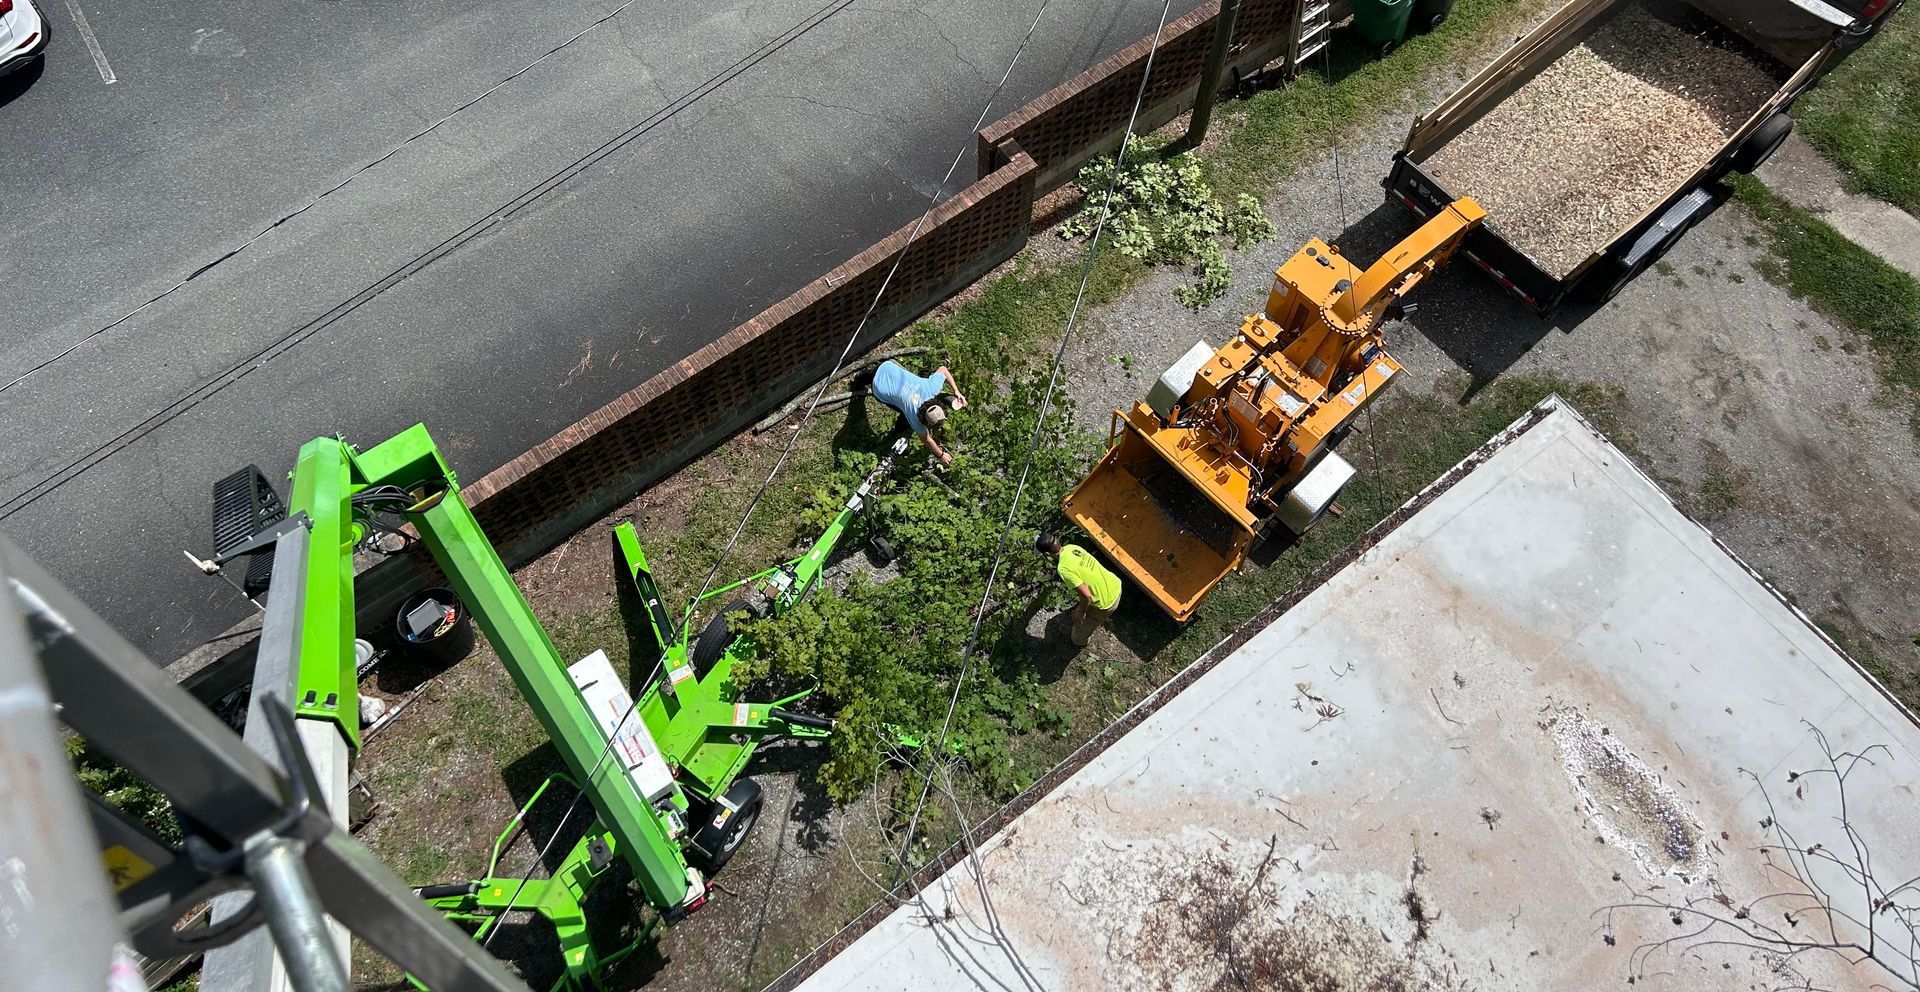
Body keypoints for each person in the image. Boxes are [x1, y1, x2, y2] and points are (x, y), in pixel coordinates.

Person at [869, 359, 966, 465]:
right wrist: (941, 455)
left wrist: (956, 391)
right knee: (901, 409)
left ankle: (861, 377)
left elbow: (943, 370)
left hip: (887, 367)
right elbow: (926, 439)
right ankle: (899, 428)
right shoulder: (914, 417)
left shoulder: (932, 388)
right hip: (877, 387)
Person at [1035, 532, 1121, 647]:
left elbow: (1086, 596)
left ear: (1046, 554)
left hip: (1106, 603)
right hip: (1115, 583)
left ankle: (1081, 643)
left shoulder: (1063, 568)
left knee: (1077, 635)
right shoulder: (1072, 548)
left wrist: (1080, 613)